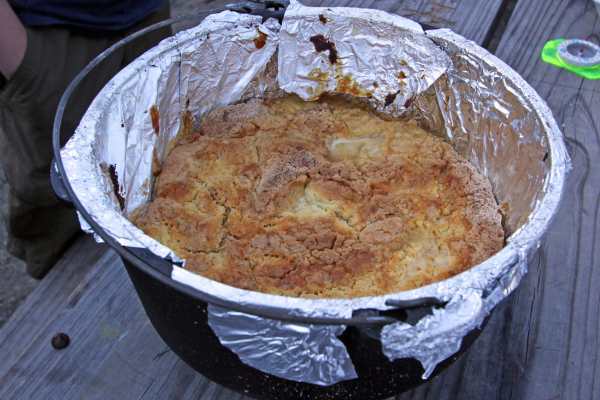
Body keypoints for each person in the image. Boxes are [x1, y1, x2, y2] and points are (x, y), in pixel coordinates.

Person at [0, 0, 171, 278]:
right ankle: (58, 292)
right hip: (47, 35)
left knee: (157, 150)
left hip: (146, 12)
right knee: (56, 185)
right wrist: (21, 62)